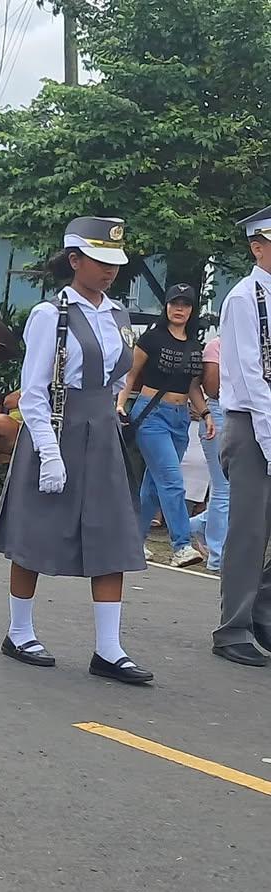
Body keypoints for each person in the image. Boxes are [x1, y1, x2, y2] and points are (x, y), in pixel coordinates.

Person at [0, 216, 152, 684]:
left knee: (113, 537)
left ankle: (109, 648)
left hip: (101, 430)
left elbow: (120, 377)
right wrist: (48, 450)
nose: (109, 270)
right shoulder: (50, 315)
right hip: (57, 429)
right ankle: (19, 632)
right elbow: (34, 390)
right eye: (99, 261)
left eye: (114, 262)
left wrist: (115, 412)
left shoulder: (118, 314)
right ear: (75, 259)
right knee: (37, 532)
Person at [212, 205, 271, 665]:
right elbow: (251, 377)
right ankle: (232, 628)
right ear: (257, 247)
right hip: (254, 426)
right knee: (249, 531)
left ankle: (262, 610)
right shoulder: (245, 298)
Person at [116, 283, 212, 568]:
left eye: (185, 304)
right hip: (151, 414)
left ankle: (133, 540)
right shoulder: (152, 339)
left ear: (192, 310)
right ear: (166, 307)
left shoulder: (196, 345)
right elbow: (130, 375)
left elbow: (193, 387)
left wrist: (205, 413)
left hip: (181, 417)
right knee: (171, 479)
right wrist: (120, 403)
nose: (179, 308)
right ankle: (181, 545)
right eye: (174, 303)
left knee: (154, 484)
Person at [188, 335, 229, 572]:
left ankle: (196, 525)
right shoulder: (217, 345)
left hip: (252, 415)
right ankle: (217, 556)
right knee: (223, 487)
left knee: (235, 489)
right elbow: (212, 388)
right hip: (218, 411)